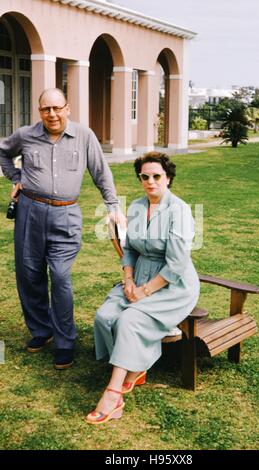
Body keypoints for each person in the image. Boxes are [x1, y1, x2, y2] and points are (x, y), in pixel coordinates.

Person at [0, 88, 124, 370]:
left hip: (66, 214)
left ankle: (65, 341)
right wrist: (16, 176)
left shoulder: (84, 135)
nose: (52, 114)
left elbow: (100, 171)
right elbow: (3, 153)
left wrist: (113, 206)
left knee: (60, 276)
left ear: (67, 108)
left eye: (57, 108)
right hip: (30, 211)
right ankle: (41, 331)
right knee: (29, 274)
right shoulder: (25, 135)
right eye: (46, 109)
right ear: (39, 111)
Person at [86, 151, 200, 425]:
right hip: (137, 278)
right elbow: (130, 250)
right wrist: (128, 281)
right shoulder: (137, 207)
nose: (150, 181)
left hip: (173, 285)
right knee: (104, 316)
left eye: (157, 176)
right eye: (145, 177)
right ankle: (135, 366)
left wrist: (145, 291)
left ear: (168, 178)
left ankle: (113, 394)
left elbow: (175, 264)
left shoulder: (180, 211)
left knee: (129, 319)